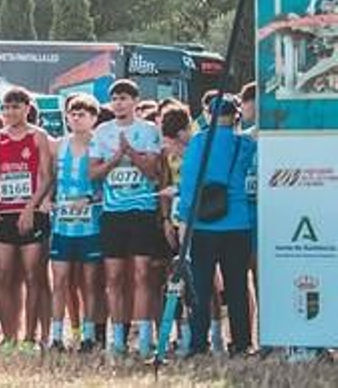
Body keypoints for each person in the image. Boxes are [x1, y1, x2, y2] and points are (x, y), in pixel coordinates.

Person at [88, 80, 166, 356]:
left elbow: (153, 172)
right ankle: (118, 339)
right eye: (115, 99)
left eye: (123, 98)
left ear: (135, 101)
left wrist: (131, 153)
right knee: (114, 277)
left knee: (143, 274)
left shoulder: (148, 131)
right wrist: (115, 157)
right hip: (113, 213)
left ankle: (145, 339)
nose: (118, 104)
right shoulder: (101, 132)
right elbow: (93, 174)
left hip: (141, 211)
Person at [176, 95, 256, 358]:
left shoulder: (200, 141)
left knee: (200, 285)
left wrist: (184, 218)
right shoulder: (244, 144)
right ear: (236, 116)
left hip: (204, 224)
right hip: (238, 222)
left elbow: (188, 184)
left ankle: (199, 344)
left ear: (209, 115)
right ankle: (242, 343)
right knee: (237, 286)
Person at [0, 88, 53, 347]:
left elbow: (46, 176)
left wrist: (31, 207)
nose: (10, 112)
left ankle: (30, 336)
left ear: (26, 108)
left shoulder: (38, 136)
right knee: (4, 274)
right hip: (3, 213)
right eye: (6, 107)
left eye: (15, 107)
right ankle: (9, 335)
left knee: (34, 274)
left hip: (30, 214)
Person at [46, 94, 103, 352]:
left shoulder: (99, 145)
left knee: (90, 281)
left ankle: (90, 336)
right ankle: (57, 336)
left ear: (94, 118)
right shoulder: (59, 145)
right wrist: (46, 200)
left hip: (91, 224)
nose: (76, 118)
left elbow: (108, 186)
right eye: (72, 113)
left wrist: (89, 198)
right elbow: (50, 179)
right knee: (60, 280)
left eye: (82, 114)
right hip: (62, 225)